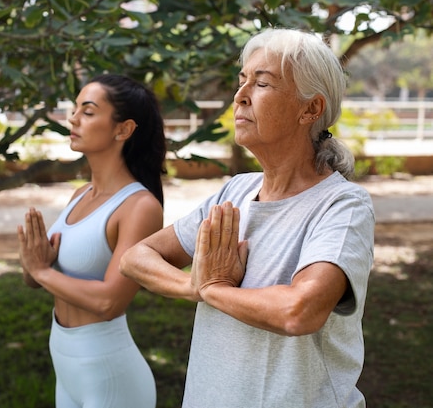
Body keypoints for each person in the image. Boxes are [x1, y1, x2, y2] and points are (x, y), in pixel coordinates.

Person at [120, 28, 375, 408]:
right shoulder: (234, 192)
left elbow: (298, 311)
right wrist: (195, 286)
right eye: (242, 82)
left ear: (311, 109)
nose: (240, 96)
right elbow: (135, 258)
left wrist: (215, 289)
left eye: (262, 83)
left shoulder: (342, 206)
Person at [17, 73, 166, 408]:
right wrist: (33, 264)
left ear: (123, 129)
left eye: (87, 111)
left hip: (111, 376)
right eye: (75, 109)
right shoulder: (80, 194)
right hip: (66, 364)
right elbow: (37, 277)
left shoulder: (140, 207)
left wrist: (42, 273)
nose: (73, 118)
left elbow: (110, 302)